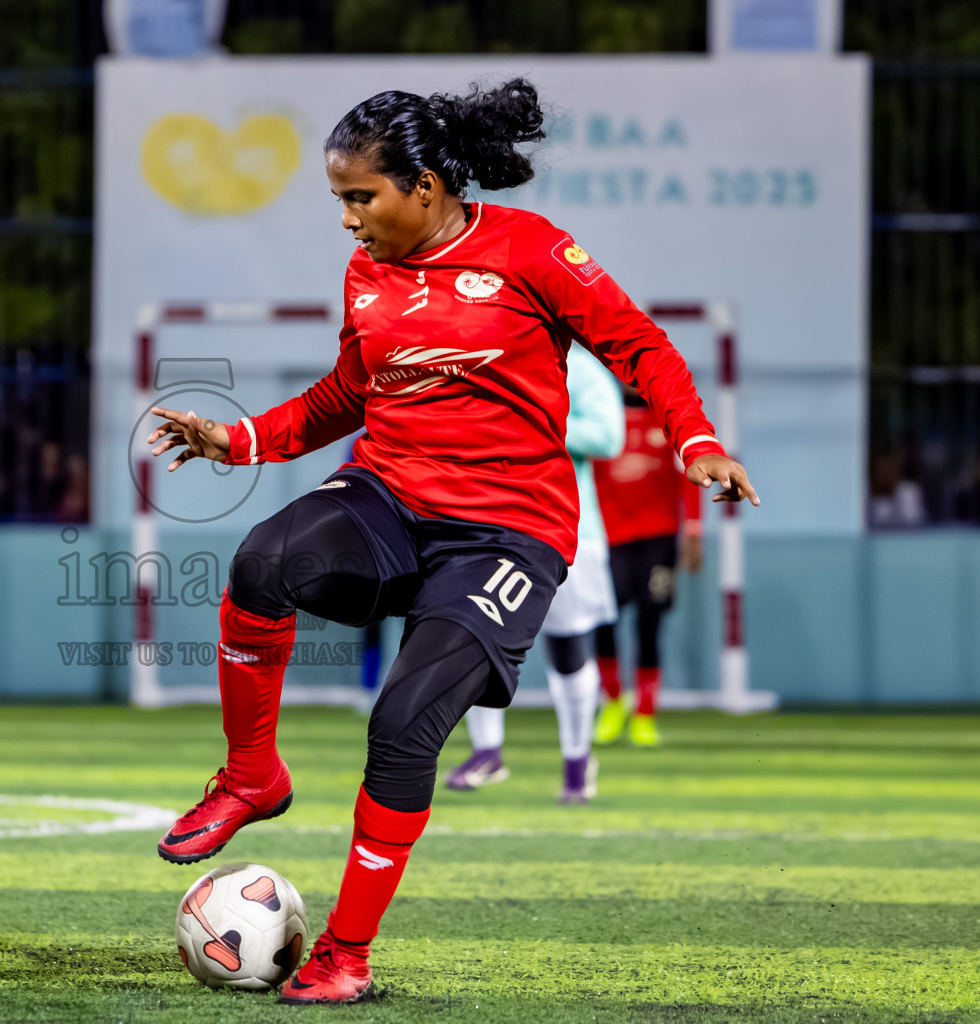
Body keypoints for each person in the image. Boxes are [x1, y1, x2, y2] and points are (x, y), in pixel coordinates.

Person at [144, 80, 758, 1004]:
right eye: (340, 200)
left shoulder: (532, 250)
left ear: (425, 186)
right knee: (263, 561)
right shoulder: (367, 274)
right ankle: (251, 775)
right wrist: (239, 441)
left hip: (508, 536)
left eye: (362, 198)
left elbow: (641, 347)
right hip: (390, 495)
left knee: (403, 725)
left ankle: (345, 955)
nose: (349, 220)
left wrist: (696, 440)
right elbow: (346, 396)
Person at [449, 344, 624, 803]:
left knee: (568, 647)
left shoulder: (583, 372)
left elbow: (609, 437)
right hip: (488, 525)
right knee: (471, 635)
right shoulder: (488, 355)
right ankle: (486, 752)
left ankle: (577, 760)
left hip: (566, 529)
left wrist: (533, 423)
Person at [592, 386, 705, 747]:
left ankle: (644, 712)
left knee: (649, 623)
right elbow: (584, 478)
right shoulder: (603, 420)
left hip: (658, 537)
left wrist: (693, 529)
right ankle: (612, 701)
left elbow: (690, 476)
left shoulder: (667, 422)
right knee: (604, 619)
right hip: (609, 537)